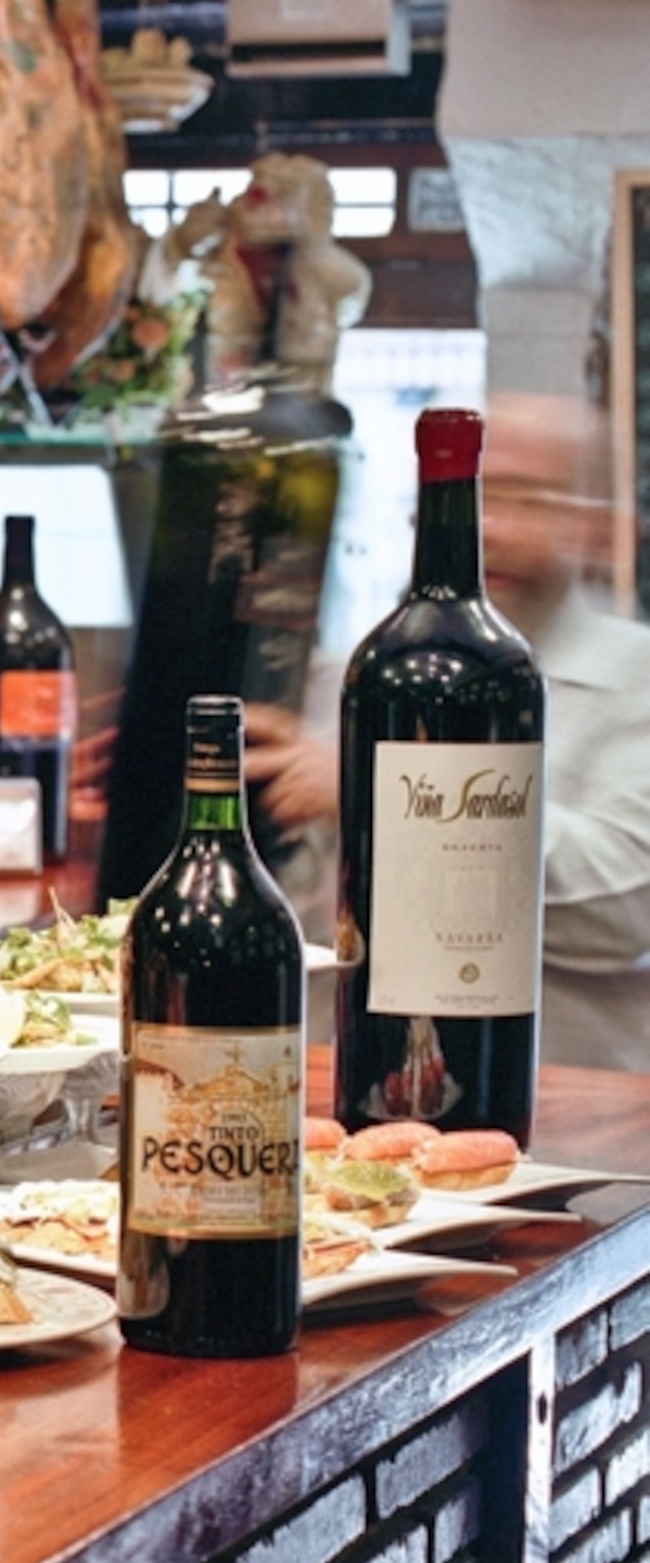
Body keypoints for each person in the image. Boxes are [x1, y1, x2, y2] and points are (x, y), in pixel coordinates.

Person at [246, 394, 650, 1076]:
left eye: (525, 498)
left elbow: (626, 903)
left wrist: (375, 796)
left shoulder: (635, 678)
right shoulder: (359, 672)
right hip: (348, 1084)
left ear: (594, 526)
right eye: (474, 497)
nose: (490, 528)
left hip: (561, 1108)